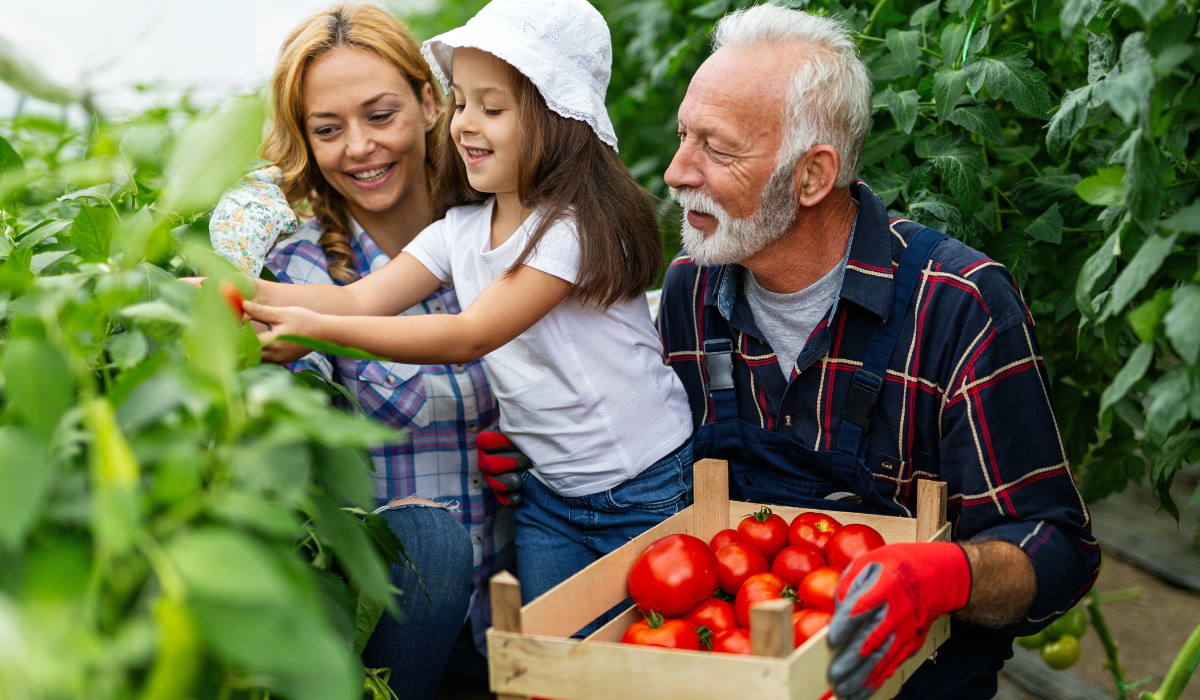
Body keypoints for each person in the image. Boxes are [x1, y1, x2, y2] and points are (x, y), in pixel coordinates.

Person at [656, 6, 1100, 700]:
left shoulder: (957, 305)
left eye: (717, 148)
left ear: (811, 176)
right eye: (685, 135)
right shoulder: (690, 291)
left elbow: (1058, 547)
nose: (678, 170)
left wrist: (950, 574)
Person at [239, 0, 695, 615]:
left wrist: (321, 330)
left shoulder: (569, 229)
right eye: (462, 103)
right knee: (547, 658)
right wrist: (233, 294)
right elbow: (355, 298)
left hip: (642, 484)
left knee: (643, 655)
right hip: (551, 499)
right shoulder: (461, 229)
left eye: (492, 108)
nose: (465, 124)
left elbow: (470, 334)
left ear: (557, 118)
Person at [206, 5, 522, 697]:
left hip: (509, 615)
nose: (359, 147)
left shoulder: (496, 235)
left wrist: (532, 444)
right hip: (395, 637)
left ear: (430, 102)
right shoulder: (301, 270)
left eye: (380, 115)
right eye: (328, 129)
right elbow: (295, 386)